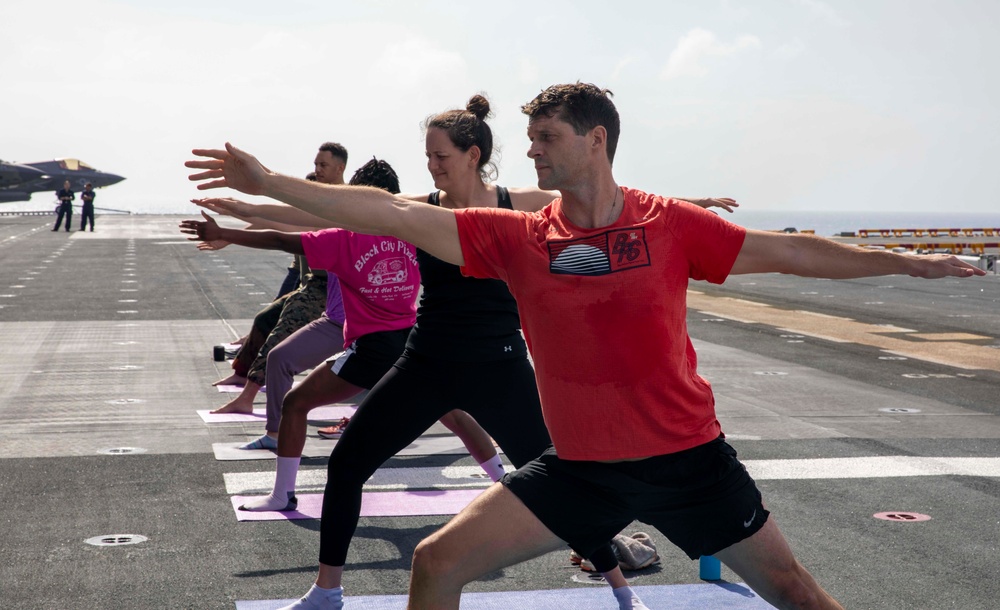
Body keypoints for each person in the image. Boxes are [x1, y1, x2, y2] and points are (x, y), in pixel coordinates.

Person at [188, 83, 984, 610]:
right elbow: (386, 213)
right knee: (436, 564)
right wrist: (269, 184)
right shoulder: (518, 237)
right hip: (582, 468)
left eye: (546, 136)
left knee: (796, 593)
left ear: (595, 141)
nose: (530, 148)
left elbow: (795, 252)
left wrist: (909, 262)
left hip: (687, 459)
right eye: (529, 137)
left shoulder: (667, 224)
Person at [191, 95, 738, 610]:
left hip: (500, 367)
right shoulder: (419, 209)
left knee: (569, 485)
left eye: (441, 155)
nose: (431, 166)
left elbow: (607, 204)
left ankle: (622, 593)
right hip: (427, 362)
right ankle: (327, 591)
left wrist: (693, 207)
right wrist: (247, 207)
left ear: (473, 155)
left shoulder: (519, 204)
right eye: (427, 156)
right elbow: (329, 215)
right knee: (347, 463)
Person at [210, 142, 348, 411]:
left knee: (279, 342)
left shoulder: (344, 201)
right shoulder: (319, 198)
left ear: (340, 168)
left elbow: (291, 226)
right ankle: (242, 375)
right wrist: (232, 233)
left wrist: (234, 227)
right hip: (311, 283)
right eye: (316, 164)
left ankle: (249, 401)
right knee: (266, 320)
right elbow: (284, 217)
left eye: (323, 165)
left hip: (329, 287)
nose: (317, 170)